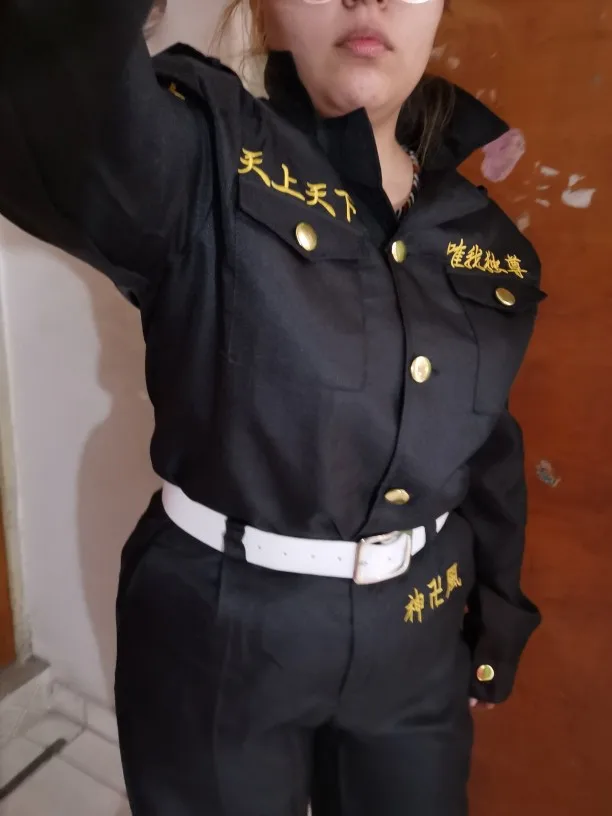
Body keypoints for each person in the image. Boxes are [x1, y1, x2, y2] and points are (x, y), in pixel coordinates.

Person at [0, 0, 546, 813]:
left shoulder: (487, 239)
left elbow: (488, 443)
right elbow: (52, 68)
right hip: (219, 632)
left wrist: (498, 616)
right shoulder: (202, 154)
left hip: (419, 630)